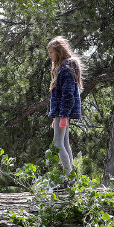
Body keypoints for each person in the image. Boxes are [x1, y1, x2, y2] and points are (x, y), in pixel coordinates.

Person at [46, 37, 82, 173]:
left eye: (51, 52)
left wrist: (63, 116)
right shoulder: (62, 67)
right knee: (65, 143)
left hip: (63, 113)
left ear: (59, 52)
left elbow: (68, 95)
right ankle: (71, 176)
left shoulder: (66, 69)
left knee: (58, 144)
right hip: (61, 113)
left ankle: (68, 177)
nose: (50, 56)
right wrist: (56, 116)